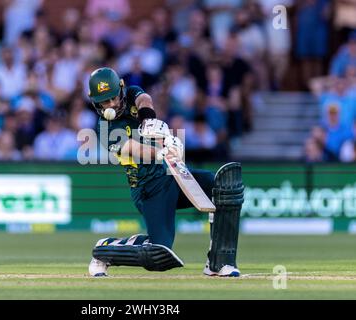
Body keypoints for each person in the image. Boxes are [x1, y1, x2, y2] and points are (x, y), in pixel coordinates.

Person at [86, 67, 244, 277]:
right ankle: (106, 249)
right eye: (104, 102)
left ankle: (219, 262)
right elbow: (136, 149)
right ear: (95, 102)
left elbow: (145, 100)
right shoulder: (103, 130)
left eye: (113, 98)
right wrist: (162, 151)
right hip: (148, 188)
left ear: (121, 89)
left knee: (222, 188)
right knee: (158, 253)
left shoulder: (131, 93)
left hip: (174, 175)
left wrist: (149, 120)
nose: (111, 105)